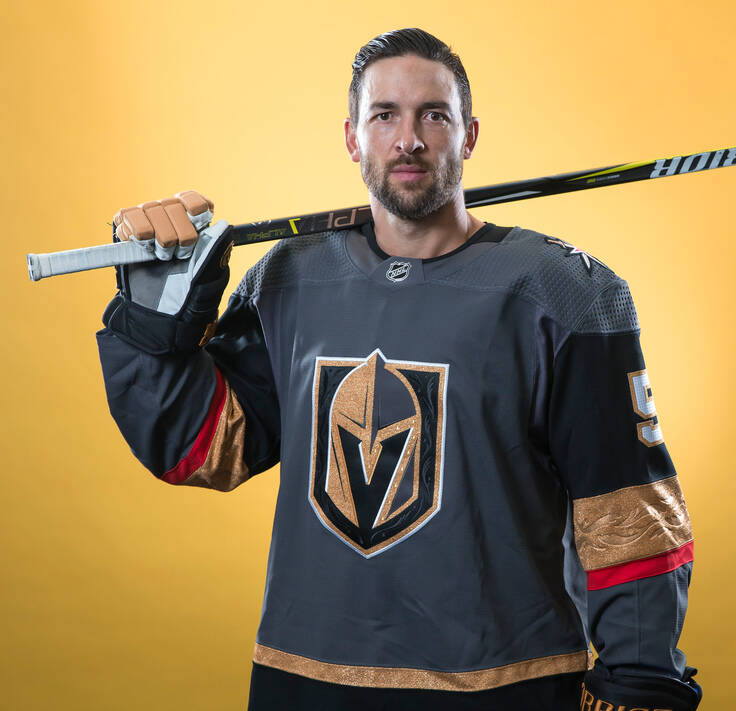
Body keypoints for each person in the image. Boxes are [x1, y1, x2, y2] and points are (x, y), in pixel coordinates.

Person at [96, 28, 702, 711]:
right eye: (384, 115)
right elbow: (202, 446)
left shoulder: (563, 294)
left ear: (468, 135)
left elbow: (627, 511)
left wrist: (639, 676)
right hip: (305, 679)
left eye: (432, 116)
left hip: (504, 685)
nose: (408, 139)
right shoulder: (287, 280)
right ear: (352, 138)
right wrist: (152, 324)